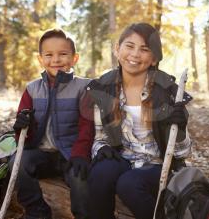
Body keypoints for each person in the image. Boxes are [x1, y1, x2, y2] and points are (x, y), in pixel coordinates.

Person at [82, 22, 192, 219]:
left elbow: (183, 152)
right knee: (100, 173)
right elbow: (100, 138)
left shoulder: (169, 94)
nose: (135, 54)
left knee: (129, 184)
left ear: (154, 58)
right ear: (117, 49)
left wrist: (181, 128)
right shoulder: (103, 89)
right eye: (129, 46)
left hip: (158, 165)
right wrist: (101, 149)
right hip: (122, 158)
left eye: (144, 49)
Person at [11, 28, 94, 219]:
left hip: (71, 153)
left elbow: (87, 125)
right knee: (18, 162)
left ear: (74, 58)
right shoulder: (32, 89)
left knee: (80, 177)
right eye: (49, 55)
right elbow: (24, 133)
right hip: (42, 153)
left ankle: (83, 215)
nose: (56, 60)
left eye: (63, 54)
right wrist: (21, 126)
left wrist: (81, 154)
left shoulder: (83, 87)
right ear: (40, 59)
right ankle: (37, 211)